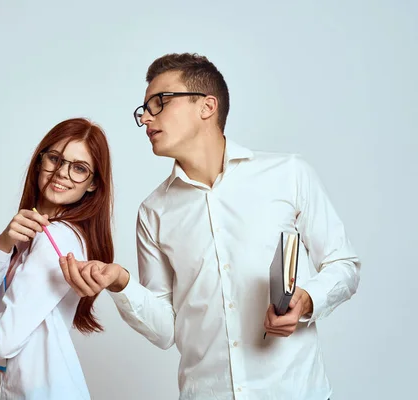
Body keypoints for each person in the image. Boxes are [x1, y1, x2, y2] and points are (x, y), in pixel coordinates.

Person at [59, 53, 360, 400]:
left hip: (294, 391)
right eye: (143, 109)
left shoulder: (289, 174)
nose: (146, 118)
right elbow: (165, 330)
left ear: (206, 106)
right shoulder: (153, 211)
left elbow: (344, 266)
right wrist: (120, 282)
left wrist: (306, 301)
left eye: (159, 102)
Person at [0, 117, 114, 400]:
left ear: (92, 184)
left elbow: (2, 340)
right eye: (55, 158)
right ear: (40, 161)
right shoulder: (26, 234)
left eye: (79, 168)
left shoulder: (60, 238)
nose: (62, 173)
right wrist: (3, 243)